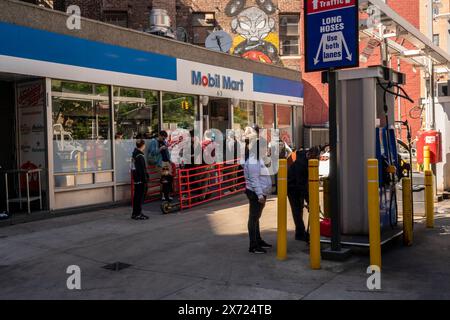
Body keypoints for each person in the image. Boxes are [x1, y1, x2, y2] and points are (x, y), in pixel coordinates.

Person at [244, 126, 273, 254]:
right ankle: (253, 245)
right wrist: (260, 194)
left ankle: (258, 240)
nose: (265, 149)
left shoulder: (258, 159)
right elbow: (254, 180)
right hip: (255, 193)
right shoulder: (252, 161)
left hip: (259, 193)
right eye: (263, 147)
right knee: (253, 218)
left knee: (256, 218)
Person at [287, 147, 320, 241]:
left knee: (299, 209)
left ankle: (300, 232)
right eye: (312, 158)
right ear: (308, 154)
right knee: (297, 210)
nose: (314, 160)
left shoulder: (310, 157)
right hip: (292, 187)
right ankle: (300, 233)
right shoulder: (300, 164)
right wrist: (309, 200)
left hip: (300, 184)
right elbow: (301, 184)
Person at [131, 139, 149, 220]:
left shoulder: (134, 155)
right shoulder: (140, 156)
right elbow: (142, 169)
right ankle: (138, 213)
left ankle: (135, 213)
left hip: (136, 178)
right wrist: (145, 179)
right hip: (141, 179)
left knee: (136, 196)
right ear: (143, 145)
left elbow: (132, 167)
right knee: (140, 197)